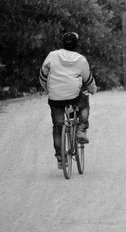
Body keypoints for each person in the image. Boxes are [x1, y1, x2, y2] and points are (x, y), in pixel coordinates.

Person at [39, 32, 97, 169]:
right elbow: (88, 80)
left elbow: (43, 75)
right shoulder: (81, 59)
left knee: (58, 126)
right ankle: (81, 130)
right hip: (73, 97)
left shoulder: (52, 55)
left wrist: (47, 89)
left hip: (55, 98)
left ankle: (60, 159)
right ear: (77, 45)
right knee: (84, 104)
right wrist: (93, 89)